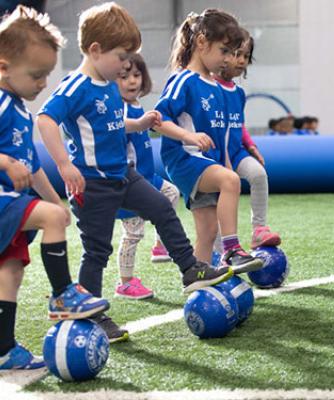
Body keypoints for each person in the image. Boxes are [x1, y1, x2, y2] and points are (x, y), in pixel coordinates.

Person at [37, 2, 232, 343]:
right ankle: (93, 317)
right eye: (121, 57)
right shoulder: (75, 86)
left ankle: (190, 269)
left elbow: (112, 125)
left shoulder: (110, 84)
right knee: (96, 251)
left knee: (161, 207)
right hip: (92, 184)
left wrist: (139, 123)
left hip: (123, 175)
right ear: (96, 50)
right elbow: (45, 118)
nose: (126, 65)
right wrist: (65, 166)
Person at [0, 6, 108, 369]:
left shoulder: (18, 110)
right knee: (49, 219)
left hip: (12, 201)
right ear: (3, 67)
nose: (43, 83)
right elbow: (16, 167)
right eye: (36, 75)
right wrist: (4, 162)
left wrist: (58, 201)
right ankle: (63, 295)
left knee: (11, 271)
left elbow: (31, 170)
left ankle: (3, 350)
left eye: (47, 75)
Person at [154, 9, 263, 272]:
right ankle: (232, 250)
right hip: (184, 159)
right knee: (231, 180)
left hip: (205, 162)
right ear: (201, 42)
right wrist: (187, 136)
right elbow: (158, 119)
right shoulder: (184, 80)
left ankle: (196, 278)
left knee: (207, 231)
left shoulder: (215, 86)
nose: (227, 59)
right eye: (224, 51)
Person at [114, 53, 181, 300]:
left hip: (147, 176)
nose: (132, 81)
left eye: (136, 75)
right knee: (133, 232)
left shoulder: (136, 103)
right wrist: (141, 122)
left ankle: (160, 244)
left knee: (172, 192)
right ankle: (125, 282)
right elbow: (120, 127)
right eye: (124, 76)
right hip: (129, 184)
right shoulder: (117, 108)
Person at [214, 29, 281, 251]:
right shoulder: (210, 87)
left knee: (259, 174)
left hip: (236, 151)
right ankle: (217, 249)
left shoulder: (238, 92)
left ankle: (259, 230)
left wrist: (251, 146)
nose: (242, 61)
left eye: (246, 56)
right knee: (216, 199)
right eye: (237, 54)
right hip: (214, 156)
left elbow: (238, 124)